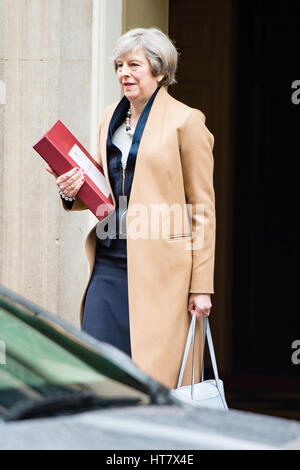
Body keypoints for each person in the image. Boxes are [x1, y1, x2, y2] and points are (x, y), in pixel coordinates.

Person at [45, 28, 216, 390]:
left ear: (158, 70)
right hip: (108, 263)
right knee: (101, 374)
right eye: (119, 65)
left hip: (163, 273)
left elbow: (203, 207)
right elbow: (105, 188)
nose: (124, 72)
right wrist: (71, 190)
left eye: (134, 65)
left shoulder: (187, 122)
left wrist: (201, 286)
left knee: (155, 380)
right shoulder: (111, 117)